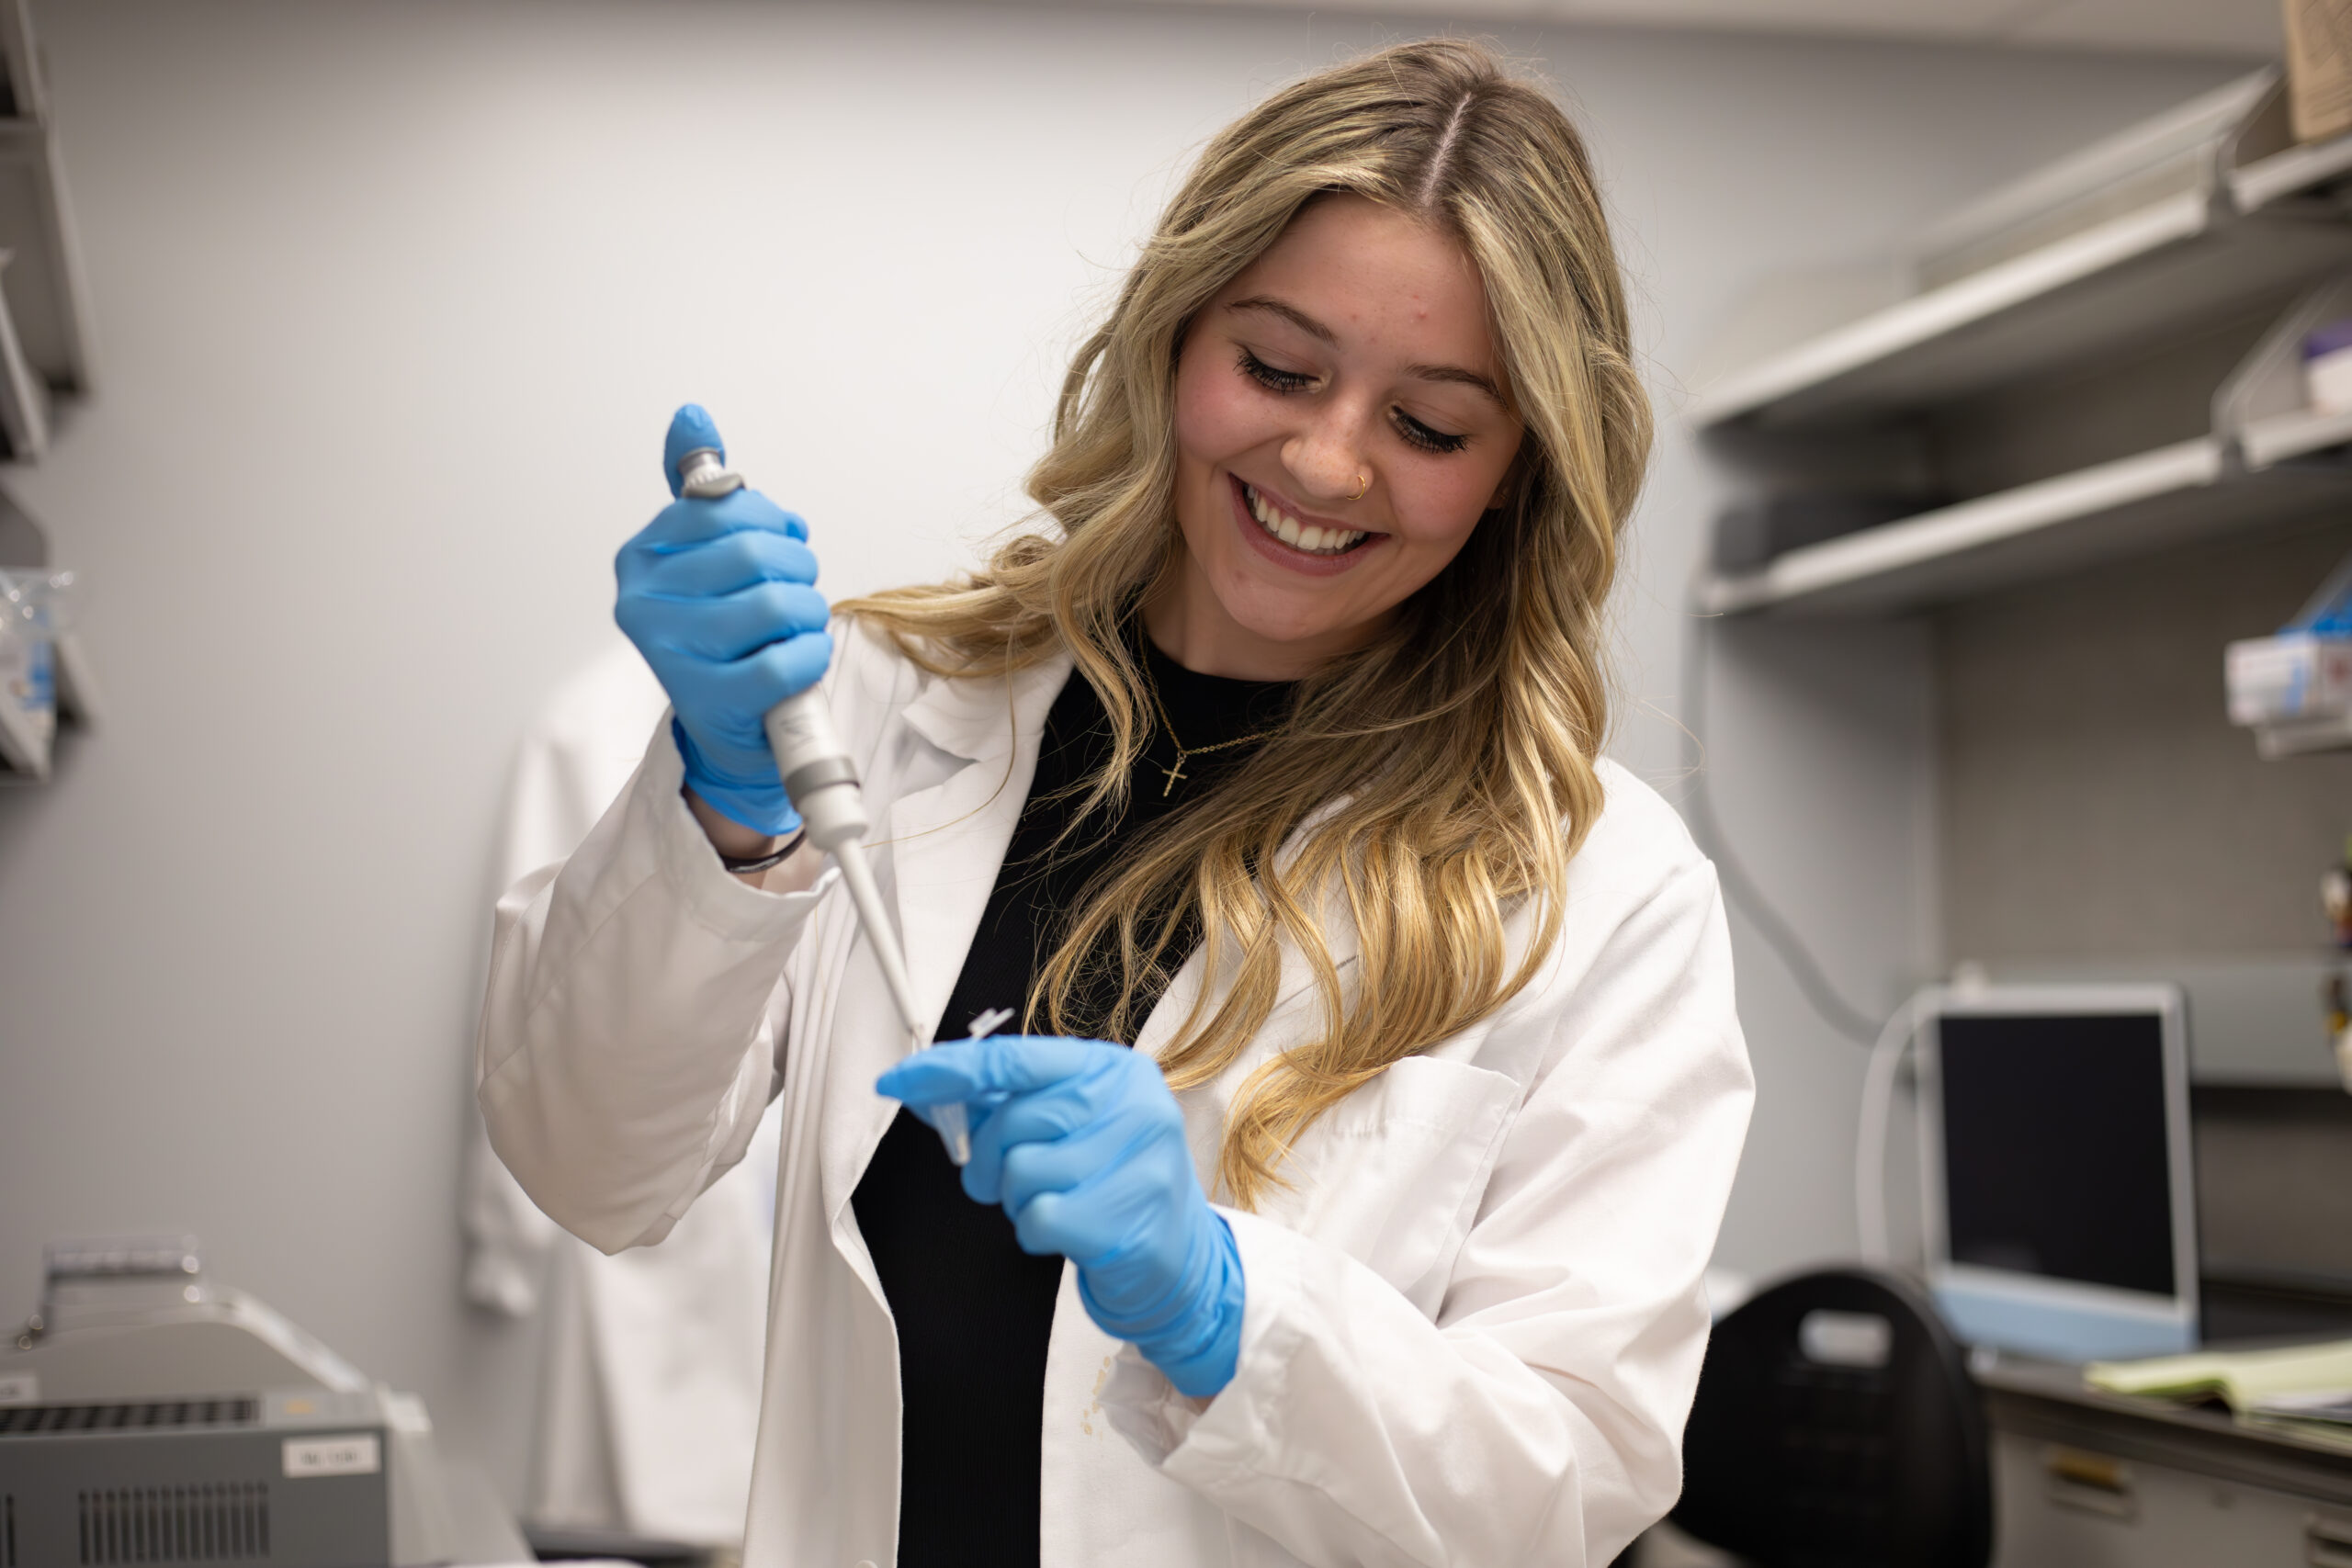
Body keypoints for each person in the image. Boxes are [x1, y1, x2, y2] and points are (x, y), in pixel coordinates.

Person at [479, 38, 1752, 1568]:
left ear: (1518, 471)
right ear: (1173, 337)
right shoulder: (890, 710)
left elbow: (1570, 1480)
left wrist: (1222, 1303)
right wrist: (724, 809)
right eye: (1277, 368)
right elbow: (583, 1163)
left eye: (1429, 426)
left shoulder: (1604, 893)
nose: (1326, 459)